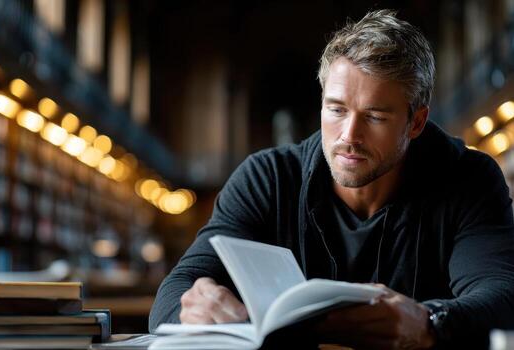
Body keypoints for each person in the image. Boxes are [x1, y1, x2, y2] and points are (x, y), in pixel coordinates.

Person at [149, 9, 514, 349]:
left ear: (416, 122)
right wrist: (194, 307)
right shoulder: (267, 178)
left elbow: (503, 295)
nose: (349, 136)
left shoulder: (469, 178)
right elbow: (174, 294)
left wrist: (428, 322)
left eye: (375, 116)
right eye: (337, 110)